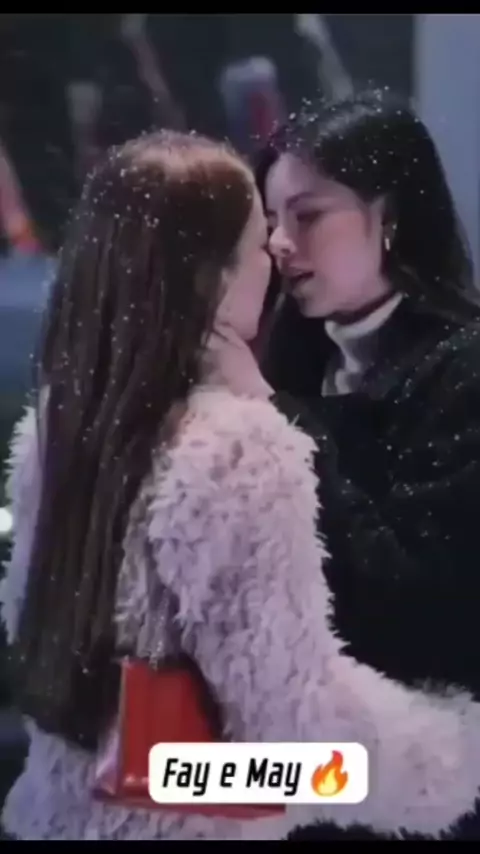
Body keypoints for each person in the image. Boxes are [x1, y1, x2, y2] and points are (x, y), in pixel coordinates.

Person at [1, 130, 480, 842]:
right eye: (261, 238)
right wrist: (450, 757)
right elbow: (294, 727)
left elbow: (64, 684)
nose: (277, 257)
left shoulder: (57, 431)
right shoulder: (238, 447)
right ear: (211, 275)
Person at [257, 88, 480, 840]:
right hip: (293, 770)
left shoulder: (464, 373)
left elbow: (417, 606)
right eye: (271, 219)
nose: (280, 242)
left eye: (308, 215)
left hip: (423, 784)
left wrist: (284, 423)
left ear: (389, 215)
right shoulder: (288, 363)